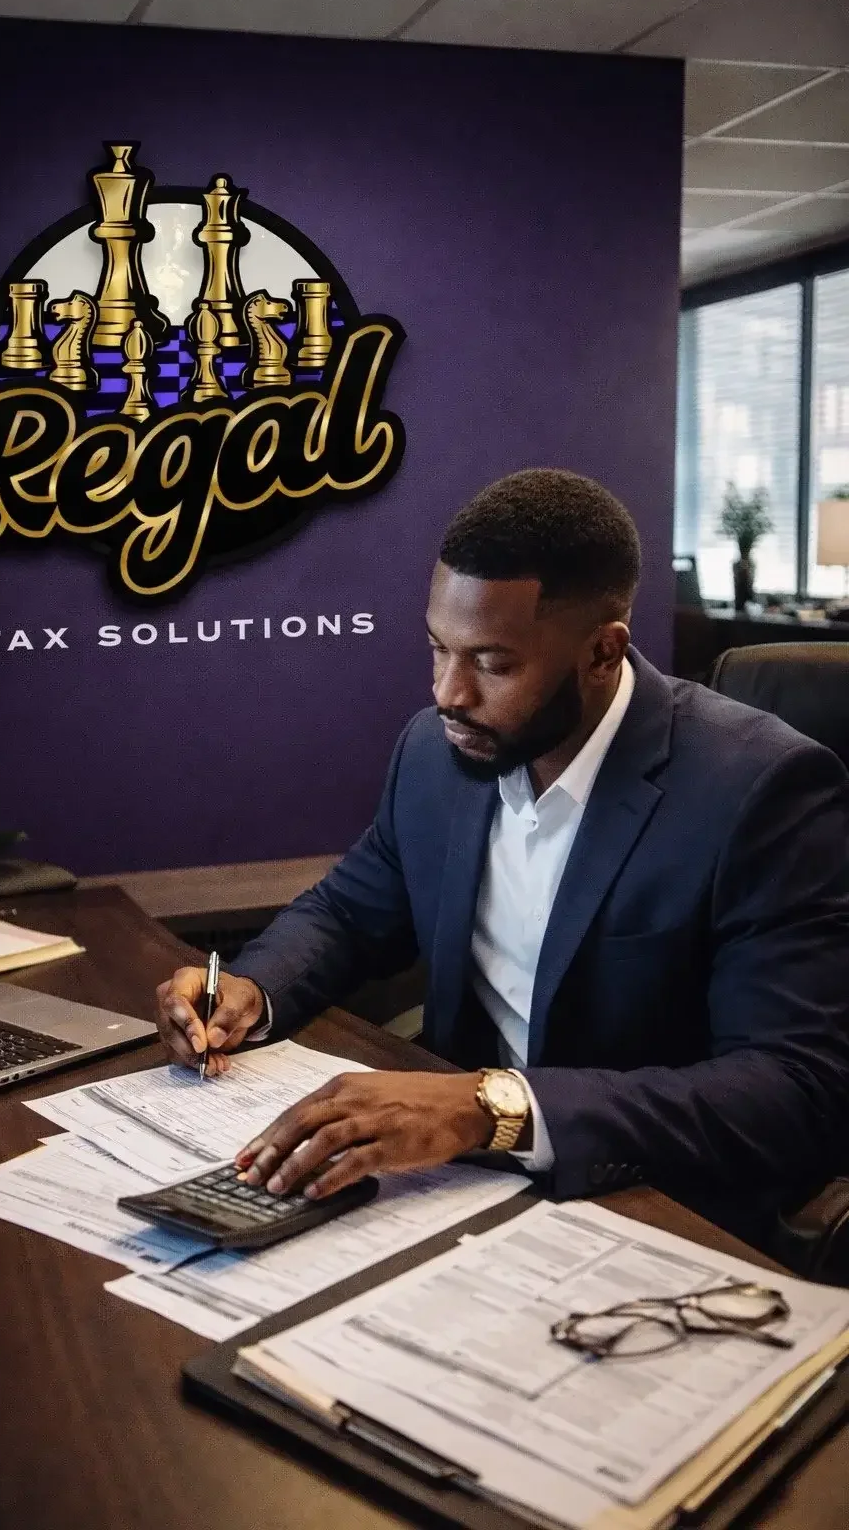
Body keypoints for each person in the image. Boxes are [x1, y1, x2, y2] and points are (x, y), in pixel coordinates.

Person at [156, 468, 849, 1248]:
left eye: (492, 663)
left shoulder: (760, 790)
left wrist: (492, 1107)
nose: (448, 692)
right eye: (437, 650)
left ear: (602, 652)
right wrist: (251, 987)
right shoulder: (435, 749)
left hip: (648, 1201)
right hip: (448, 1185)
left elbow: (796, 1088)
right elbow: (352, 910)